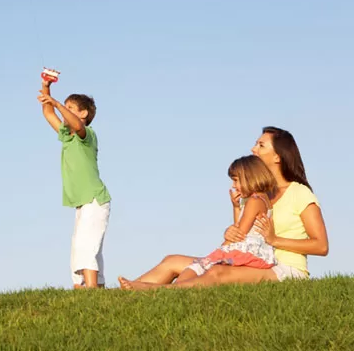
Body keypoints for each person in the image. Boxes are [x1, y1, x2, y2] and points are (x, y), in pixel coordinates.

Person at [119, 126, 329, 290]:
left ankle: (152, 290)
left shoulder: (299, 193)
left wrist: (275, 240)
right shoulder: (256, 194)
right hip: (252, 260)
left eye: (261, 145)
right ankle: (119, 296)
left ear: (278, 156)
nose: (253, 149)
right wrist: (232, 224)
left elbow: (321, 246)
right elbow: (244, 234)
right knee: (172, 261)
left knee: (217, 274)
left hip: (285, 269)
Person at [37, 78, 111, 288]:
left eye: (70, 108)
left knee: (86, 247)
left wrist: (58, 103)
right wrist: (46, 88)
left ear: (83, 114)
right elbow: (48, 113)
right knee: (81, 249)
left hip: (95, 199)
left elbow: (76, 124)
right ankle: (86, 290)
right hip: (83, 203)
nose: (63, 111)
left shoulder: (86, 135)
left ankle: (89, 294)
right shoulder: (66, 136)